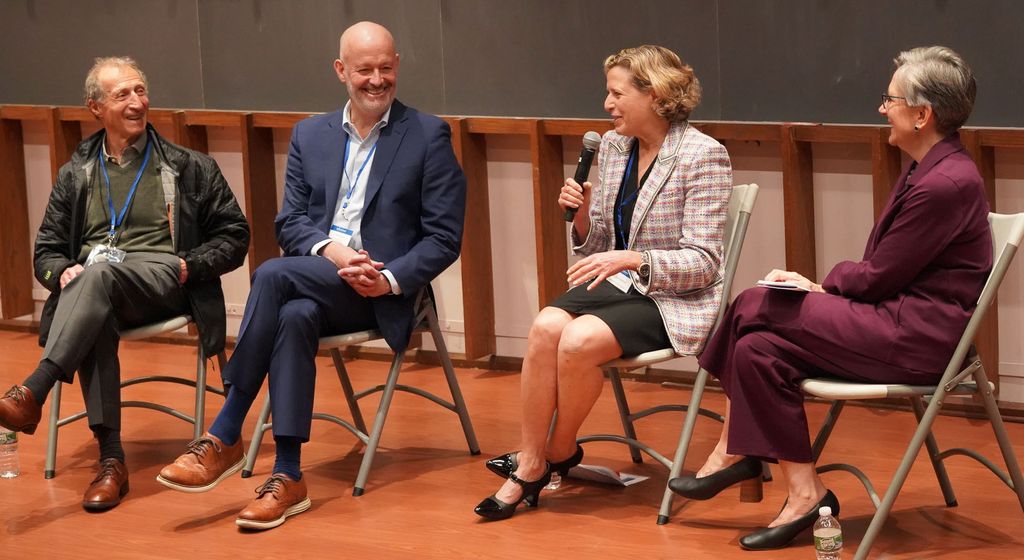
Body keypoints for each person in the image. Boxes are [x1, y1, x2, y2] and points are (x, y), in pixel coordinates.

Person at [668, 46, 989, 551]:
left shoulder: (944, 181)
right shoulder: (928, 165)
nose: (883, 107)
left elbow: (880, 275)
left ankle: (734, 449)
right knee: (756, 351)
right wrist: (831, 287)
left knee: (755, 301)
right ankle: (805, 494)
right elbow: (886, 272)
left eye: (891, 98)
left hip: (916, 336)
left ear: (923, 115)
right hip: (890, 317)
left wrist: (823, 284)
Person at [157, 21, 466, 530]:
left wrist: (386, 279)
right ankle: (289, 474)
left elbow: (443, 237)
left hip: (379, 290)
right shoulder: (309, 133)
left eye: (386, 68)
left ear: (397, 67)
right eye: (364, 69)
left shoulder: (428, 134)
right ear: (340, 70)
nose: (376, 80)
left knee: (274, 277)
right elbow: (291, 223)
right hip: (320, 278)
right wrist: (335, 252)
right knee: (294, 311)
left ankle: (225, 430)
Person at [475, 45, 732, 520]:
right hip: (620, 283)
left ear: (654, 95)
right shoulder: (614, 148)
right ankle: (533, 460)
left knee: (577, 339)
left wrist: (635, 257)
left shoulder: (703, 155)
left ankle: (555, 451)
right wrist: (581, 218)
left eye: (616, 93)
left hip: (676, 296)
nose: (607, 104)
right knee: (545, 326)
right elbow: (601, 245)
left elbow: (705, 263)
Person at [0, 57, 250, 511]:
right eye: (123, 95)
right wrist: (62, 273)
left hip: (164, 280)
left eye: (140, 91)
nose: (137, 102)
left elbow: (236, 237)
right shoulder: (75, 173)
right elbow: (47, 252)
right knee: (93, 291)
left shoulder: (189, 166)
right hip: (99, 289)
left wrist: (189, 265)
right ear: (95, 107)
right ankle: (111, 462)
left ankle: (34, 391)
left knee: (96, 280)